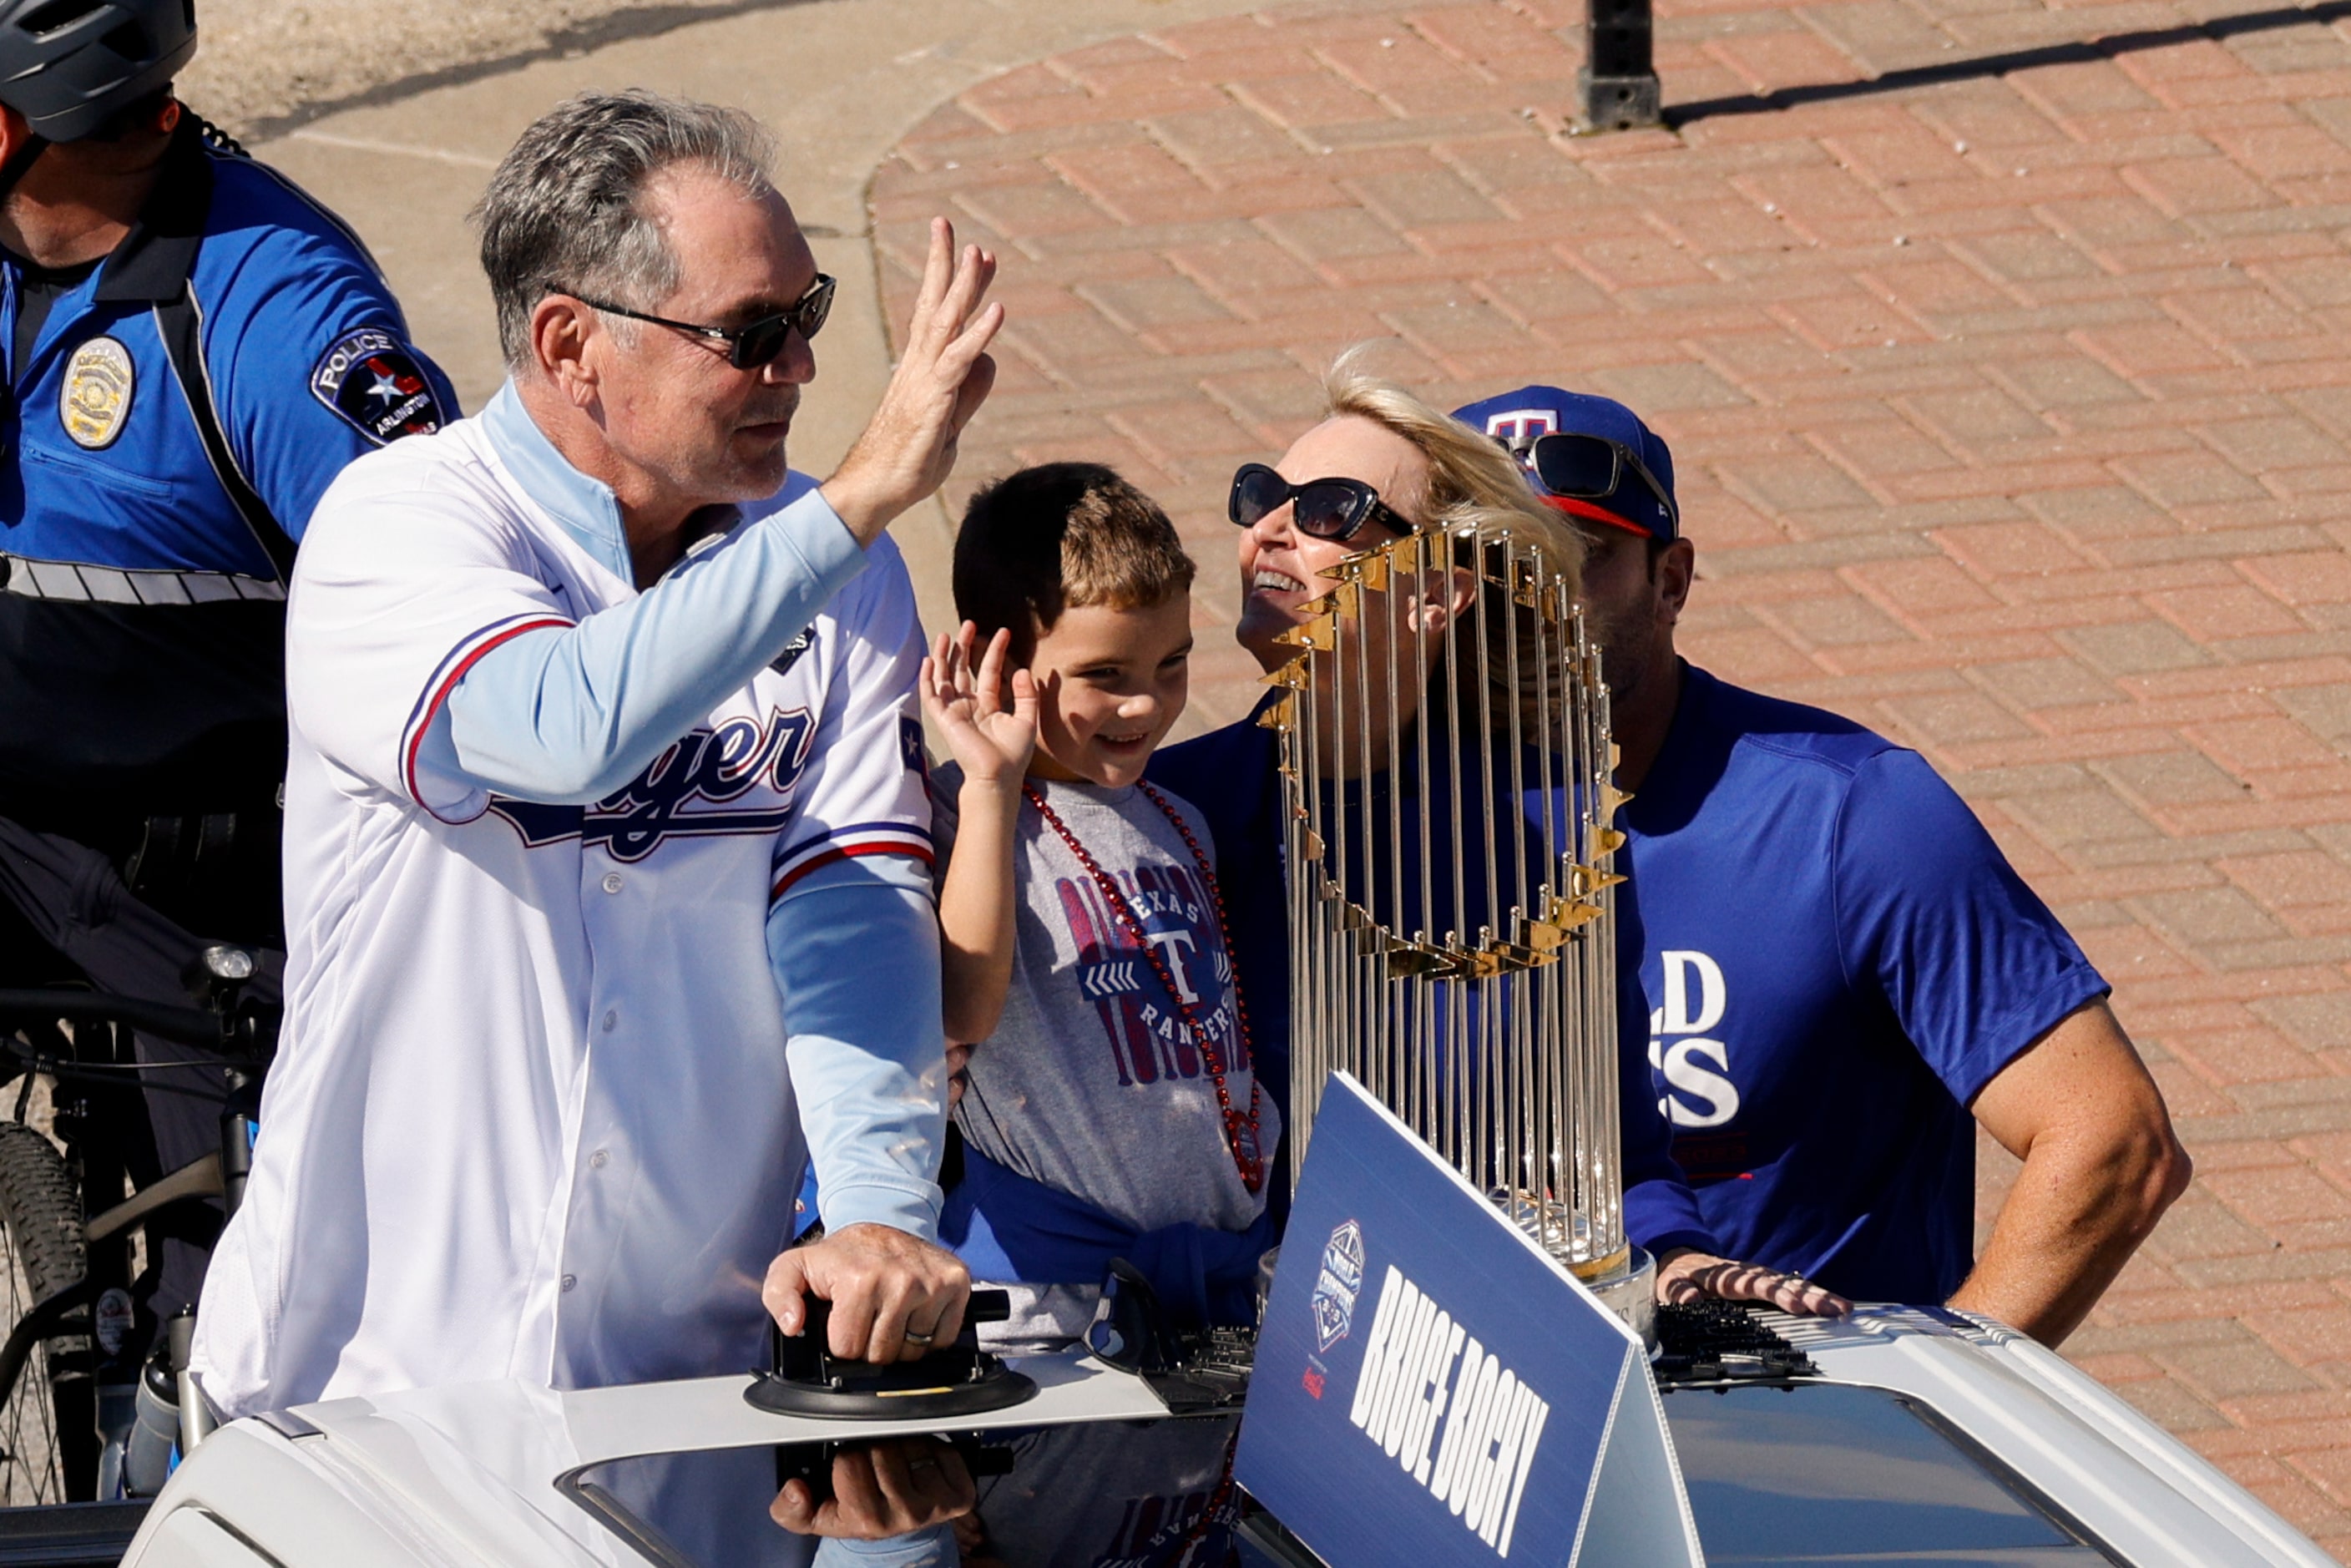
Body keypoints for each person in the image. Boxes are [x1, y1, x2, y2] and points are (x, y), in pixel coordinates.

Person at [190, 89, 1003, 1415]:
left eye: (807, 317)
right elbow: (562, 727)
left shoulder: (835, 569)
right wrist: (857, 501)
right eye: (750, 334)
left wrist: (871, 1209)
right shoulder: (399, 522)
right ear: (572, 342)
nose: (796, 369)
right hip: (357, 1389)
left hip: (675, 1399)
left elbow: (850, 902)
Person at [1445, 383, 2195, 1343]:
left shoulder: (1850, 817)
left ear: (1669, 581)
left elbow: (2113, 1145)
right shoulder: (1396, 817)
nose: (1520, 605)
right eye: (1485, 564)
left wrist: (1929, 1413)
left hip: (1779, 1440)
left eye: (1568, 563)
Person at [1150, 361, 1843, 1316]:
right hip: (1223, 1370)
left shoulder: (1558, 844)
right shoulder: (1169, 823)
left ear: (1437, 596)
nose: (1269, 528)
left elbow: (1621, 1158)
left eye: (1328, 509)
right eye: (1263, 495)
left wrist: (1679, 1262)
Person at [0, 0, 454, 1337]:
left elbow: (453, 605)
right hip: (18, 821)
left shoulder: (272, 315)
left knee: (225, 1346)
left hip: (191, 879)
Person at [920, 463, 1277, 1338]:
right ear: (992, 658)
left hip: (1216, 1283)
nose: (1144, 703)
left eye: (1173, 661)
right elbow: (959, 1009)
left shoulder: (1176, 818)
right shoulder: (957, 813)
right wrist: (992, 784)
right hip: (1049, 1303)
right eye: (1103, 674)